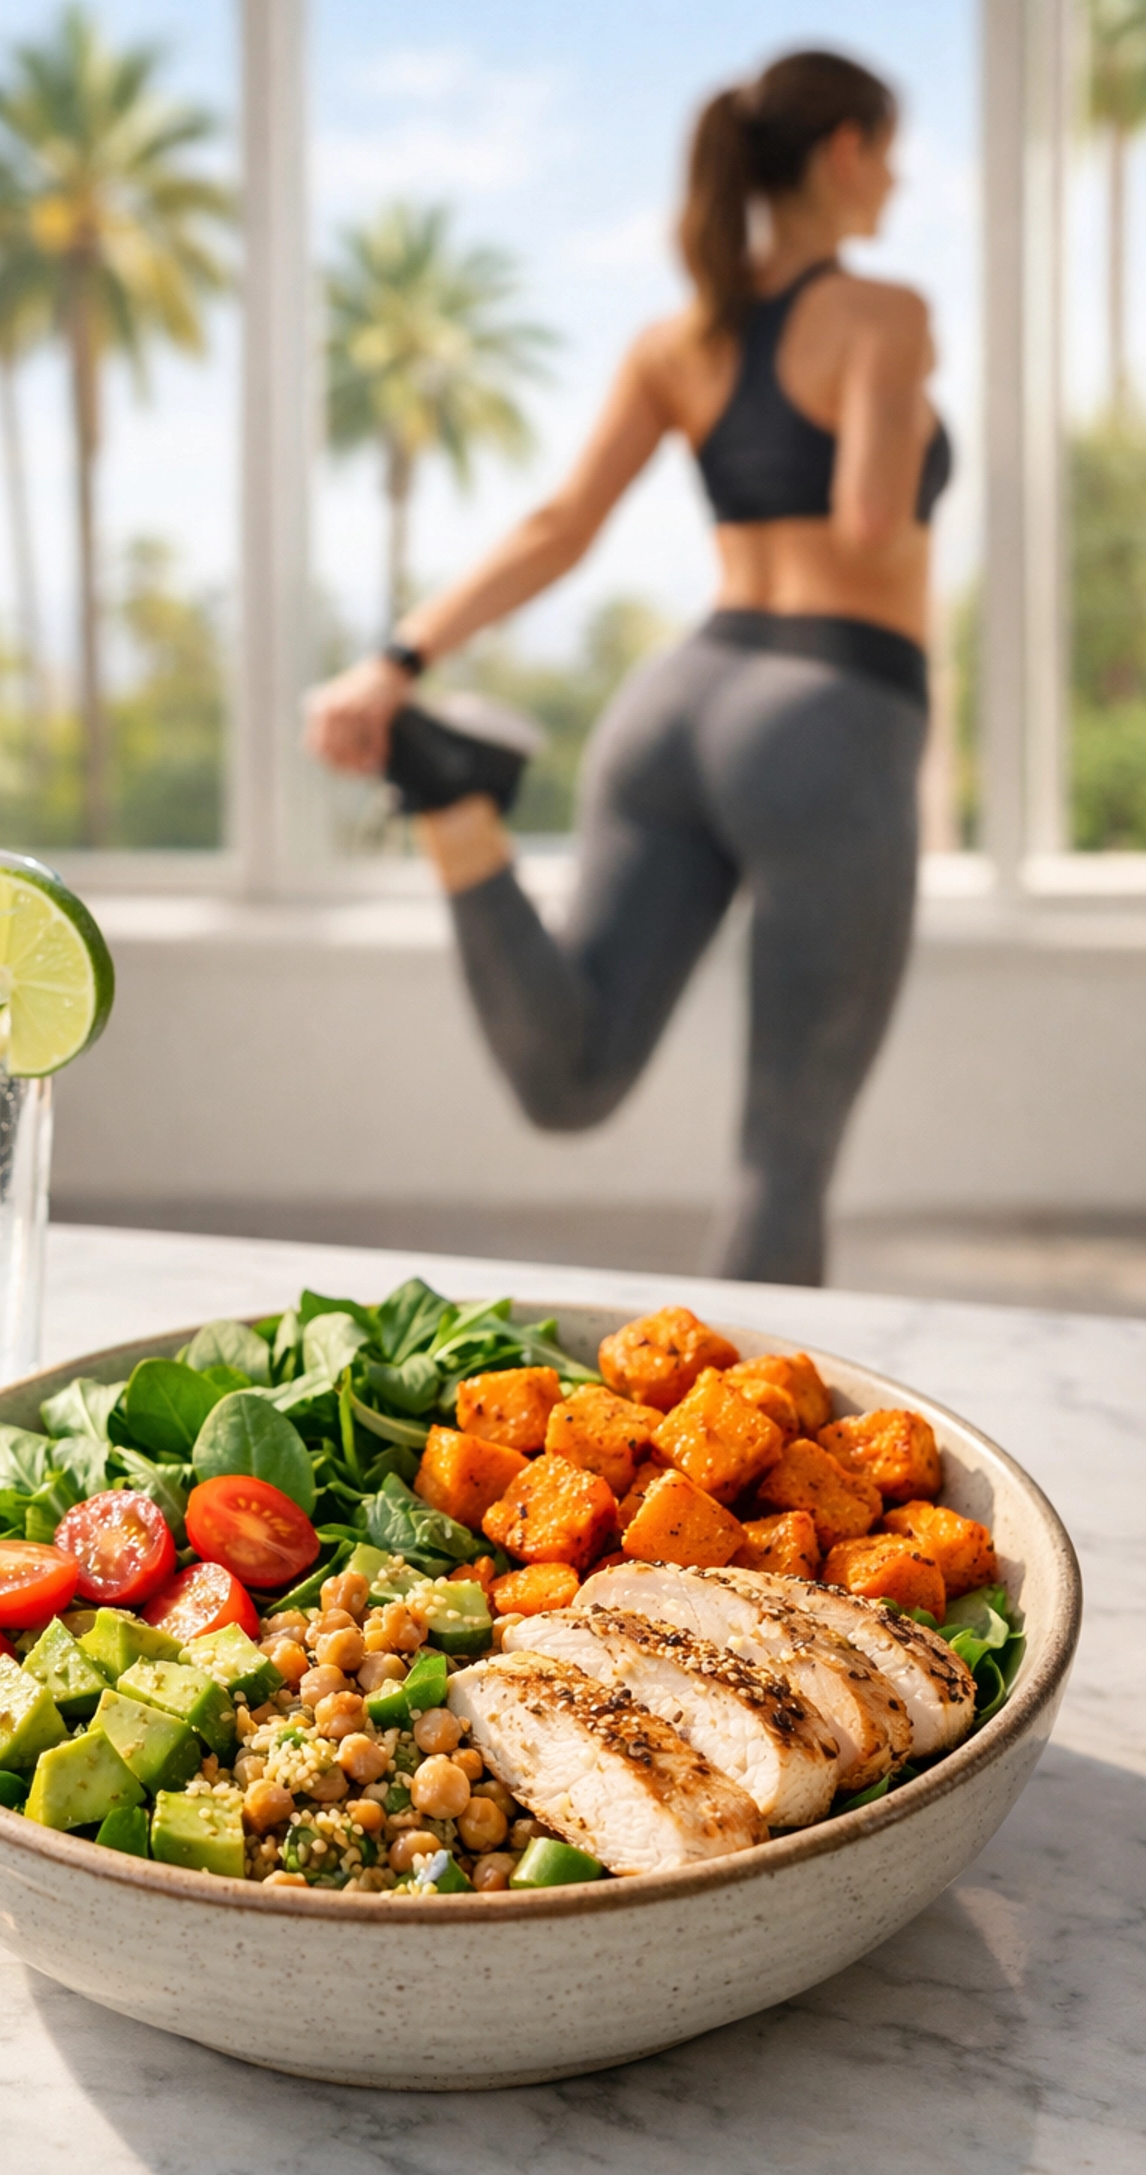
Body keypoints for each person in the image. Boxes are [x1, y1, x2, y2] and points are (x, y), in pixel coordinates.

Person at [305, 50, 949, 1287]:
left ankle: (453, 804)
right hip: (831, 712)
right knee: (783, 1153)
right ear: (846, 151)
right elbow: (872, 520)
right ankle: (761, 1473)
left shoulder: (681, 341)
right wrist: (904, 402)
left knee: (572, 1075)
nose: (898, 182)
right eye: (891, 152)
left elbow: (560, 523)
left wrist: (397, 661)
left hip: (680, 703)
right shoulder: (885, 315)